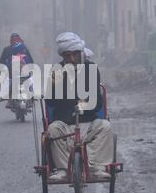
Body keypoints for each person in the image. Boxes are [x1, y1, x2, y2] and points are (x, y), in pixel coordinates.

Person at [45, 32, 114, 181]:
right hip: (65, 126)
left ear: (80, 53)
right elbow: (50, 100)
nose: (71, 59)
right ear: (63, 56)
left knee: (105, 126)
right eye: (67, 56)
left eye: (75, 54)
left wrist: (83, 105)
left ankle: (95, 167)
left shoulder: (91, 68)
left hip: (88, 124)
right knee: (52, 129)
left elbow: (96, 101)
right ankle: (63, 170)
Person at [0, 33, 34, 108]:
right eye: (14, 39)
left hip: (22, 73)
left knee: (30, 82)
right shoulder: (8, 49)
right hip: (14, 73)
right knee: (8, 82)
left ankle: (29, 99)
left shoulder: (22, 48)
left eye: (16, 39)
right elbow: (2, 61)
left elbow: (29, 59)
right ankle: (10, 100)